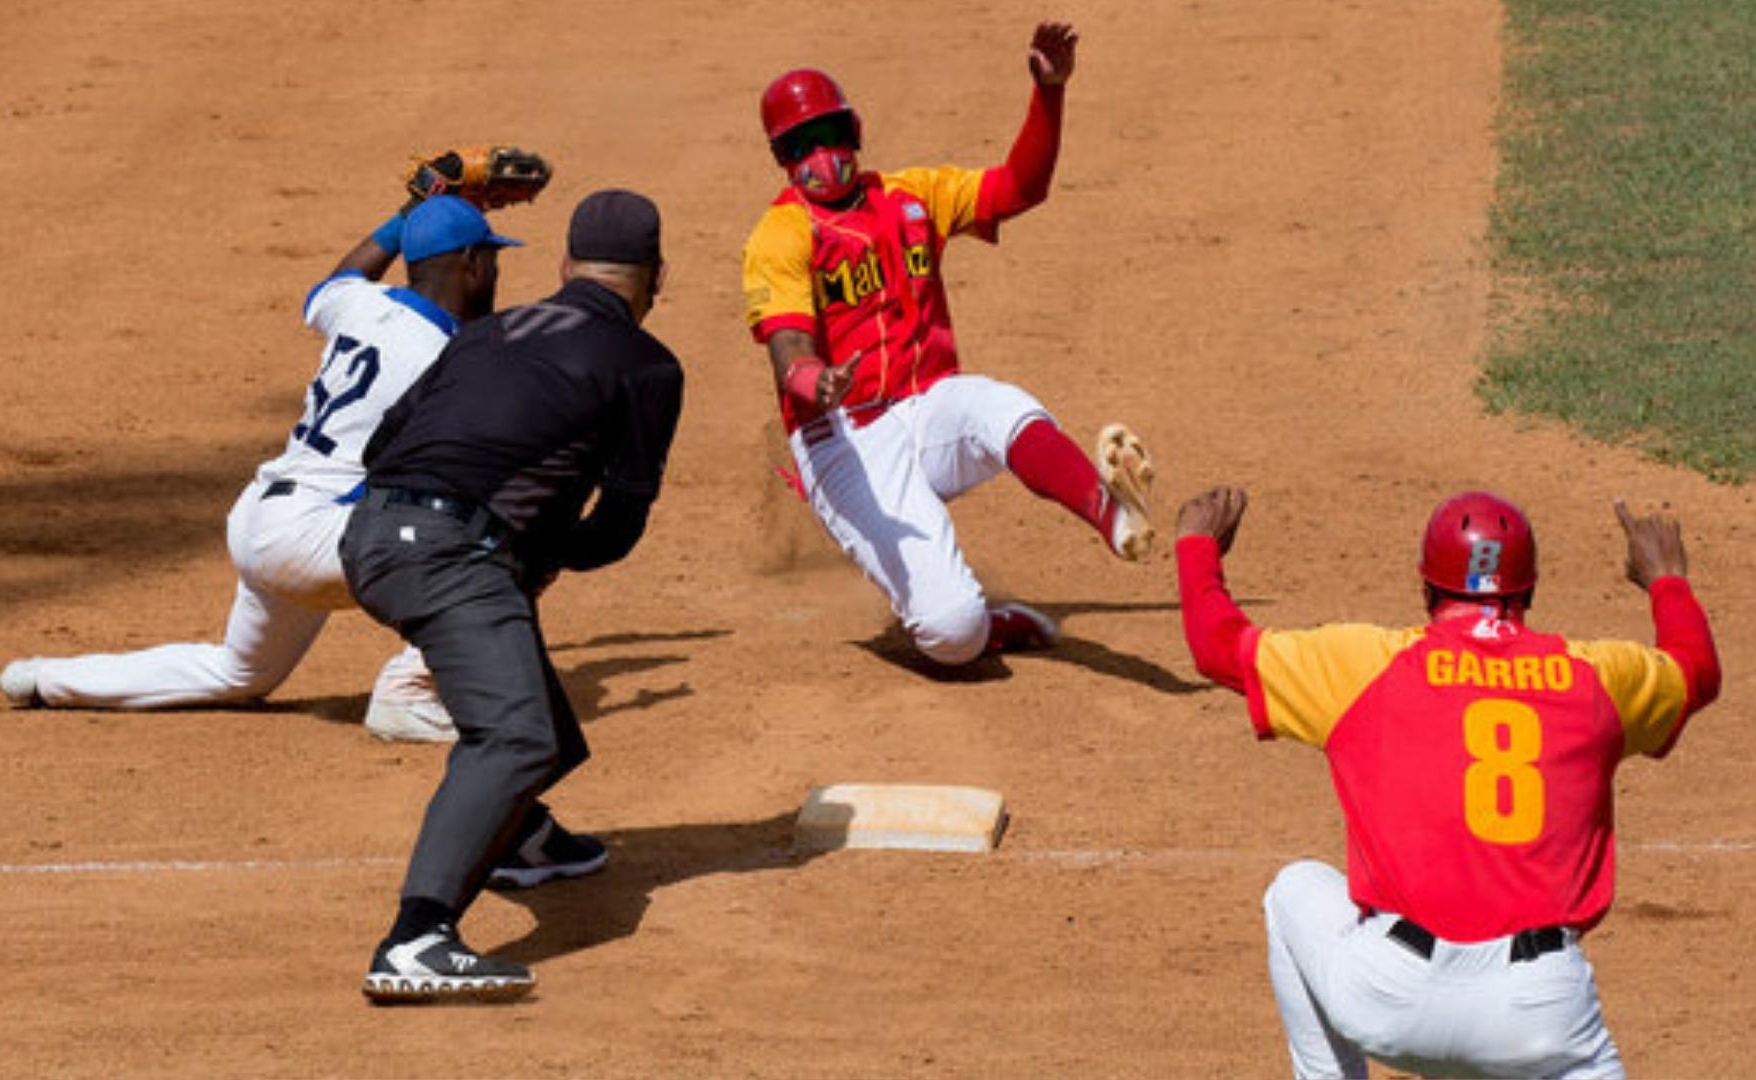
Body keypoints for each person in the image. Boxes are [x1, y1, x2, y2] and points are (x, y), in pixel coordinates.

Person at [0, 157, 555, 745]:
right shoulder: (453, 357)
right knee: (510, 527)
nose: (495, 268)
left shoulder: (363, 308)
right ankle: (408, 690)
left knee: (238, 672)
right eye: (491, 256)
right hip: (320, 539)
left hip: (260, 517)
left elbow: (336, 281)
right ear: (470, 263)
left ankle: (41, 678)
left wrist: (409, 216)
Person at [1174, 485, 1721, 1078]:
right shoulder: (1597, 678)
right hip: (1540, 1017)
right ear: (1531, 590)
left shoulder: (1367, 665)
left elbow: (1218, 646)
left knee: (1293, 892)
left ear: (1426, 587)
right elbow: (1696, 671)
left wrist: (1197, 545)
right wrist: (1666, 579)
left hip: (1391, 997)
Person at [344, 189, 682, 1003]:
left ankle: (520, 840)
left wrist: (508, 547)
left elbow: (387, 446)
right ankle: (416, 938)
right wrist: (540, 548)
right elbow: (621, 524)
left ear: (565, 268)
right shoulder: (648, 366)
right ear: (657, 277)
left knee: (551, 740)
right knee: (516, 742)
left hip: (367, 538)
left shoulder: (487, 331)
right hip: (451, 554)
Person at [740, 21, 1157, 666]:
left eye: (829, 135)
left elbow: (1021, 187)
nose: (821, 154)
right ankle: (982, 622)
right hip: (844, 442)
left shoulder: (913, 196)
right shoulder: (781, 235)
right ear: (784, 160)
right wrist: (815, 382)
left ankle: (1110, 512)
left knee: (999, 406)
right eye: (801, 145)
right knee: (953, 634)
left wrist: (1049, 93)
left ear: (854, 133)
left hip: (927, 408)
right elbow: (789, 345)